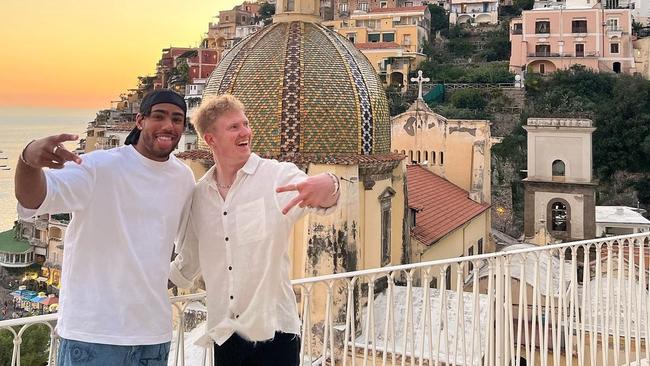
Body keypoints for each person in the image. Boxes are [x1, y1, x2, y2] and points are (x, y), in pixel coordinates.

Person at [14, 90, 195, 365]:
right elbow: (34, 199)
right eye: (158, 116)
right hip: (94, 336)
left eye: (177, 119)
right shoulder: (99, 166)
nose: (168, 125)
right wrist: (28, 160)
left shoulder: (183, 177)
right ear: (140, 120)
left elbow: (186, 243)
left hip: (153, 337)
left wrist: (163, 280)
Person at [169, 94, 340, 366]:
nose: (245, 131)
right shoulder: (200, 196)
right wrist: (144, 281)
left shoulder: (276, 176)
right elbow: (188, 261)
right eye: (234, 127)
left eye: (245, 124)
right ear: (211, 139)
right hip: (226, 337)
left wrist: (330, 185)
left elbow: (326, 197)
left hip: (275, 334)